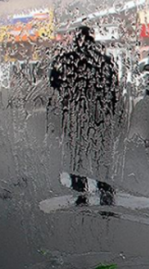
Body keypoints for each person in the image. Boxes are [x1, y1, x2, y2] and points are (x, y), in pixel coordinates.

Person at [50, 26, 120, 205]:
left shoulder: (68, 59)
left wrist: (66, 93)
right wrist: (110, 106)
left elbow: (54, 79)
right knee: (98, 150)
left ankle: (80, 188)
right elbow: (112, 84)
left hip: (76, 108)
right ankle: (104, 188)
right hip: (98, 109)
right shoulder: (102, 59)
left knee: (77, 149)